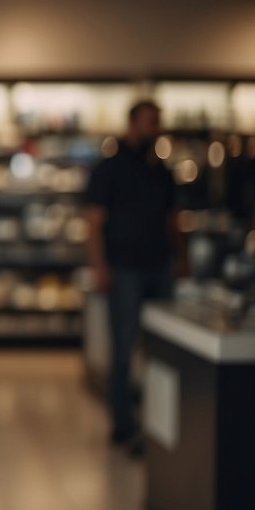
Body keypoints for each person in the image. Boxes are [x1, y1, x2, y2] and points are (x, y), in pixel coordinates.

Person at [84, 99, 187, 454]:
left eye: (158, 122)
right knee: (124, 348)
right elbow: (93, 221)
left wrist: (180, 256)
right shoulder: (109, 168)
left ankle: (160, 424)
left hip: (160, 266)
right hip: (124, 268)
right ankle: (123, 425)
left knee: (164, 349)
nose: (155, 128)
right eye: (150, 122)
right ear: (132, 124)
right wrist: (99, 265)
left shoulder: (161, 170)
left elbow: (173, 218)